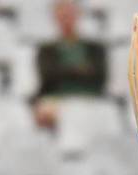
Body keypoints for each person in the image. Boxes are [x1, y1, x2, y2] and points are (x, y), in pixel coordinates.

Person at [33, 0, 106, 129]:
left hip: (90, 98)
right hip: (57, 99)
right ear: (56, 18)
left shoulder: (95, 48)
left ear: (77, 16)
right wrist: (81, 70)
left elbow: (100, 76)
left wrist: (64, 71)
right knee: (44, 113)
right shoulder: (46, 50)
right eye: (62, 16)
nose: (66, 19)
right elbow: (48, 77)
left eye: (69, 15)